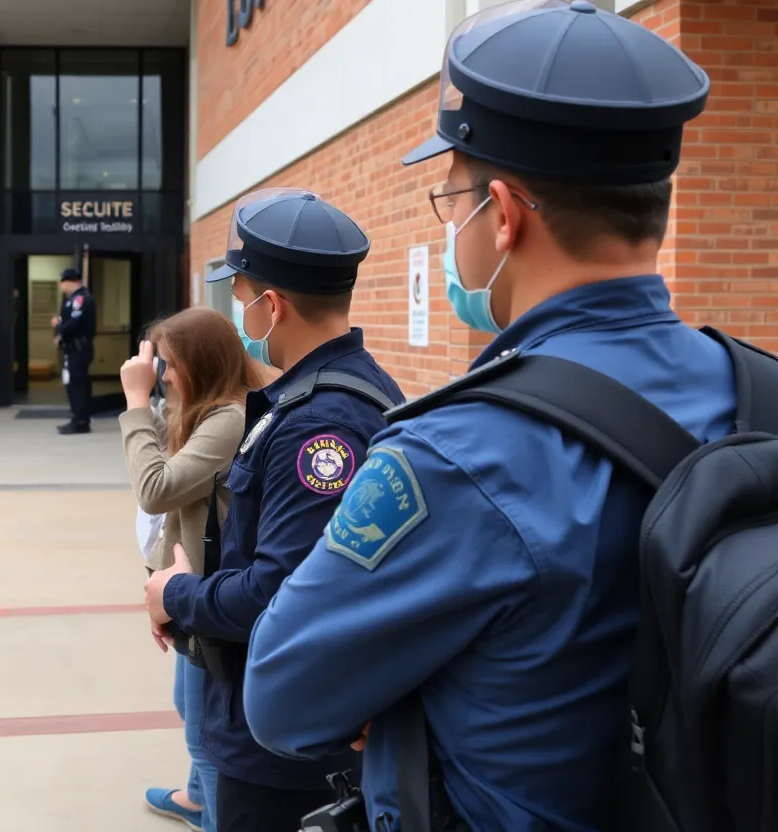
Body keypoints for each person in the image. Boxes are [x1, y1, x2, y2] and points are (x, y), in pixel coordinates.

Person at [241, 3, 733, 831]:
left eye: (452, 198)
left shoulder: (457, 452)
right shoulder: (755, 392)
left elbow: (283, 695)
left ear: (501, 216)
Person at [142, 188, 405, 832]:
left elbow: (279, 593)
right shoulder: (333, 394)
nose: (239, 317)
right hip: (295, 720)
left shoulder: (320, 423)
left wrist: (178, 595)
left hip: (284, 747)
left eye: (240, 300)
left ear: (272, 304)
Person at [120, 308, 267, 832]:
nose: (165, 374)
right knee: (191, 705)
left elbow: (156, 489)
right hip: (191, 593)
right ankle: (196, 797)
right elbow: (172, 466)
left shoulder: (229, 418)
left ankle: (211, 811)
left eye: (172, 364)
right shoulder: (211, 409)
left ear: (201, 362)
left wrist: (138, 405)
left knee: (203, 733)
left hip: (206, 598)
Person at [52, 267, 96, 435]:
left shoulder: (81, 299)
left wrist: (59, 327)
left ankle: (81, 421)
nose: (60, 285)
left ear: (71, 282)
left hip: (79, 348)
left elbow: (74, 324)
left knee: (78, 385)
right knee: (73, 385)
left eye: (62, 281)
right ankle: (77, 417)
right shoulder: (72, 300)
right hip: (73, 348)